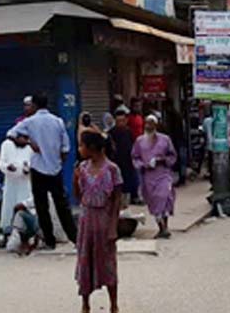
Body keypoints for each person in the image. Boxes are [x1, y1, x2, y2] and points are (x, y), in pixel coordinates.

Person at [15, 92, 77, 249]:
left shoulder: (29, 122)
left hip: (38, 169)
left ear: (34, 105)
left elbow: (12, 134)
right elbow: (66, 147)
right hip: (55, 169)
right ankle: (75, 238)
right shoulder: (58, 121)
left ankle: (50, 241)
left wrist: (29, 142)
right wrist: (60, 161)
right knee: (62, 206)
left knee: (42, 207)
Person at [75, 130, 122, 313]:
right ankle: (85, 304)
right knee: (85, 262)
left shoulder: (112, 169)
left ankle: (113, 304)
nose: (80, 149)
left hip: (104, 218)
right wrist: (75, 179)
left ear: (92, 147)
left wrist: (113, 226)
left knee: (108, 262)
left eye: (82, 145)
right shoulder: (83, 168)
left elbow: (117, 199)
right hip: (86, 219)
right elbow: (79, 195)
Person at [132, 114, 177, 239]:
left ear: (156, 125)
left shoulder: (165, 139)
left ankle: (165, 227)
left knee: (164, 198)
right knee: (154, 202)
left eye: (151, 123)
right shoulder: (139, 141)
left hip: (163, 174)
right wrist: (144, 165)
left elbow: (172, 155)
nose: (148, 125)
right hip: (148, 177)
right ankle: (161, 228)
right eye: (146, 123)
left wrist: (162, 160)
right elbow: (135, 158)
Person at [0, 127, 34, 234]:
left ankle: (24, 230)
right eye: (23, 138)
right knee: (9, 206)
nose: (26, 141)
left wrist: (28, 169)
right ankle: (7, 230)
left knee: (24, 204)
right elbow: (1, 163)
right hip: (11, 182)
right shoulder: (6, 145)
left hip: (25, 182)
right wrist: (8, 167)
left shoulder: (30, 147)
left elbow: (33, 163)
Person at [109, 106, 140, 206]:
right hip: (117, 162)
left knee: (131, 180)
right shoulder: (111, 133)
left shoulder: (128, 131)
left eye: (123, 121)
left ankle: (133, 197)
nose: (121, 123)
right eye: (119, 121)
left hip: (128, 161)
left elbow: (133, 144)